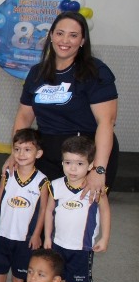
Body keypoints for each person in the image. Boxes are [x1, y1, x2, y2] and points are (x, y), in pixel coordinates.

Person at [6, 11, 119, 200]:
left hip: (84, 155)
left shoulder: (96, 71)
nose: (65, 40)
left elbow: (106, 122)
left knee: (77, 213)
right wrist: (16, 153)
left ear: (82, 40)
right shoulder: (37, 73)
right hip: (46, 153)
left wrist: (98, 169)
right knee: (42, 212)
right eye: (60, 33)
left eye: (73, 35)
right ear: (51, 35)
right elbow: (24, 116)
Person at [43, 136, 110, 282]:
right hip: (58, 244)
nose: (72, 169)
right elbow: (48, 211)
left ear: (91, 165)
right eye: (68, 162)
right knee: (59, 279)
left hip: (82, 248)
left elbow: (105, 211)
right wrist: (47, 236)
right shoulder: (55, 185)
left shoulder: (96, 188)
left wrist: (104, 238)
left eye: (79, 163)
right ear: (62, 162)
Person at [0, 128, 49, 282]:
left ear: (38, 153)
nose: (21, 154)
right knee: (0, 266)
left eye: (27, 150)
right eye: (17, 149)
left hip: (25, 236)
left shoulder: (42, 181)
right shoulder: (8, 174)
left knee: (20, 269)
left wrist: (36, 234)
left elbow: (44, 209)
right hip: (4, 231)